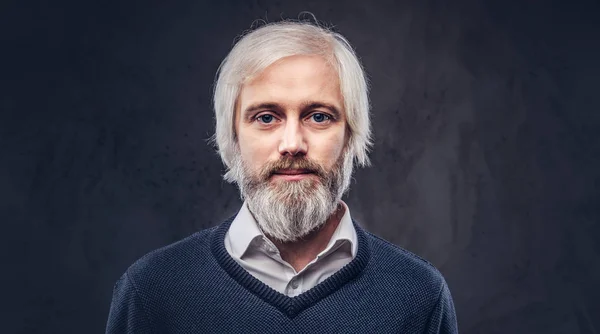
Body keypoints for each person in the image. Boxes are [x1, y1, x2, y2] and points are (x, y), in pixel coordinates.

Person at [106, 19, 458, 333]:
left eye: (318, 116)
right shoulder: (152, 291)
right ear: (233, 137)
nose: (292, 144)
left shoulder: (418, 296)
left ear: (351, 136)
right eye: (266, 117)